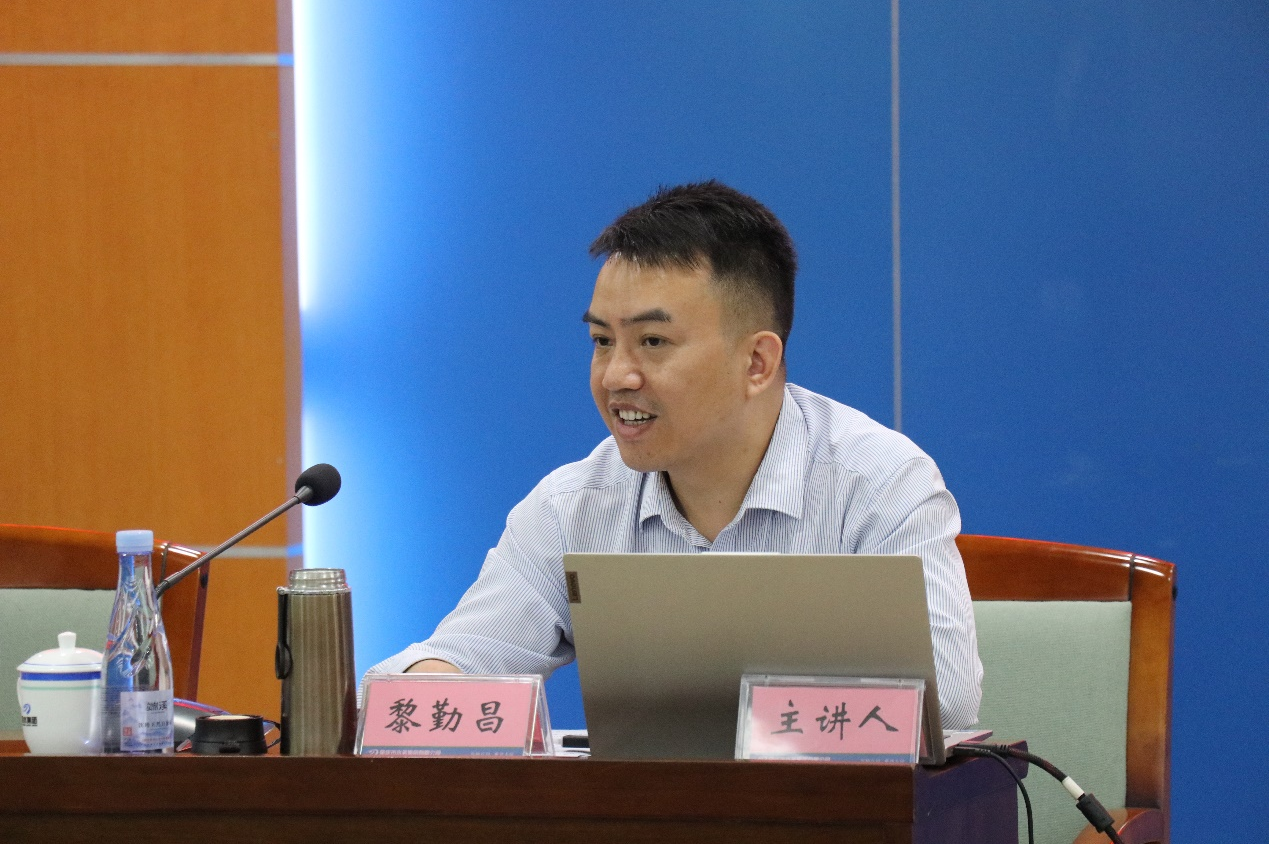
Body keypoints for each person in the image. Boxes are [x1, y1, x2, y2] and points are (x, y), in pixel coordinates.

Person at [366, 181, 982, 728]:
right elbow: (451, 663)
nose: (616, 376)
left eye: (653, 341)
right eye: (601, 341)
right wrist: (435, 686)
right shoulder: (573, 506)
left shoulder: (878, 485)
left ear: (757, 362)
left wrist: (748, 728)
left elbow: (945, 706)